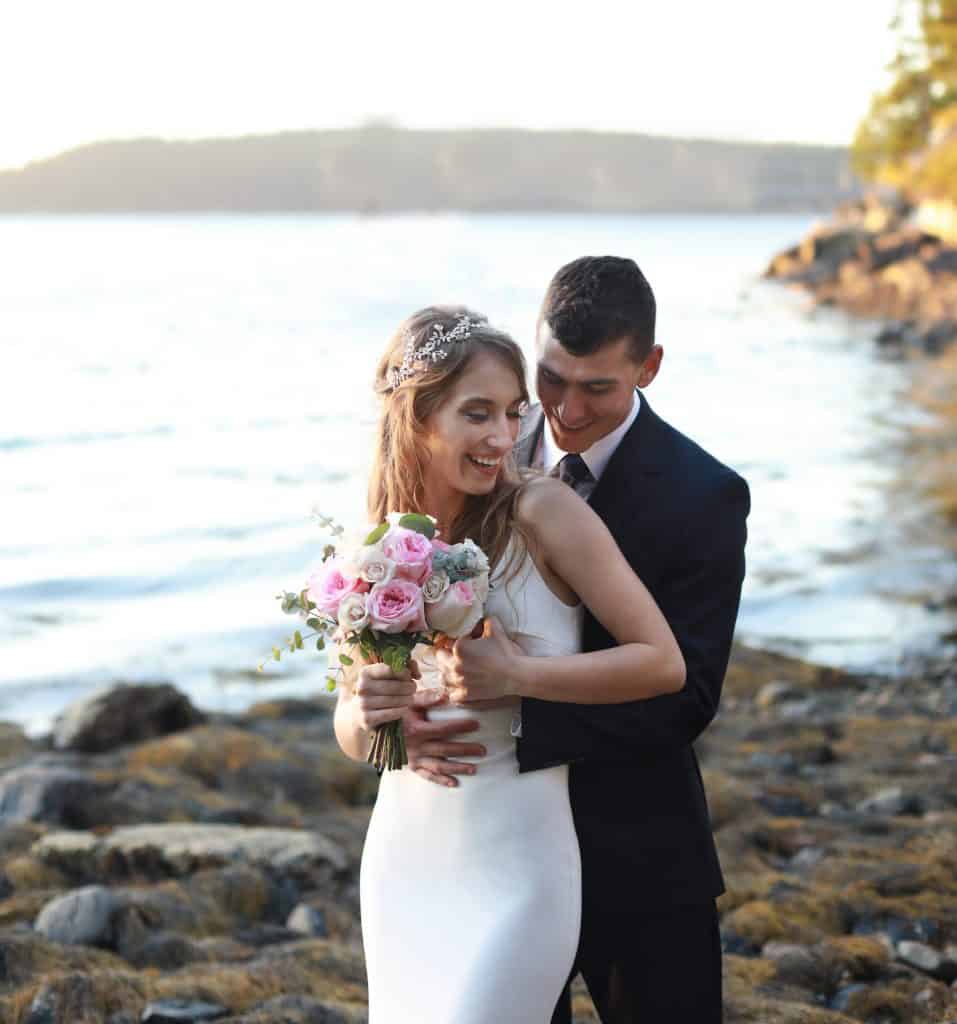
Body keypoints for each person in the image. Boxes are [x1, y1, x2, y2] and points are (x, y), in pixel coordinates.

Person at [333, 305, 686, 1024]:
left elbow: (662, 662)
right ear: (418, 415)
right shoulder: (372, 540)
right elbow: (351, 722)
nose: (502, 437)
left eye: (510, 413)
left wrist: (519, 677)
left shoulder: (543, 511)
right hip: (406, 854)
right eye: (477, 414)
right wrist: (371, 720)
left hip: (519, 868)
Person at [423, 257, 751, 1023]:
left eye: (596, 387)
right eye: (550, 378)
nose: (564, 410)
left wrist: (512, 699)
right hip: (488, 848)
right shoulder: (480, 449)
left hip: (636, 848)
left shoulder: (704, 495)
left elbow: (688, 698)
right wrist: (408, 723)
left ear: (649, 366)